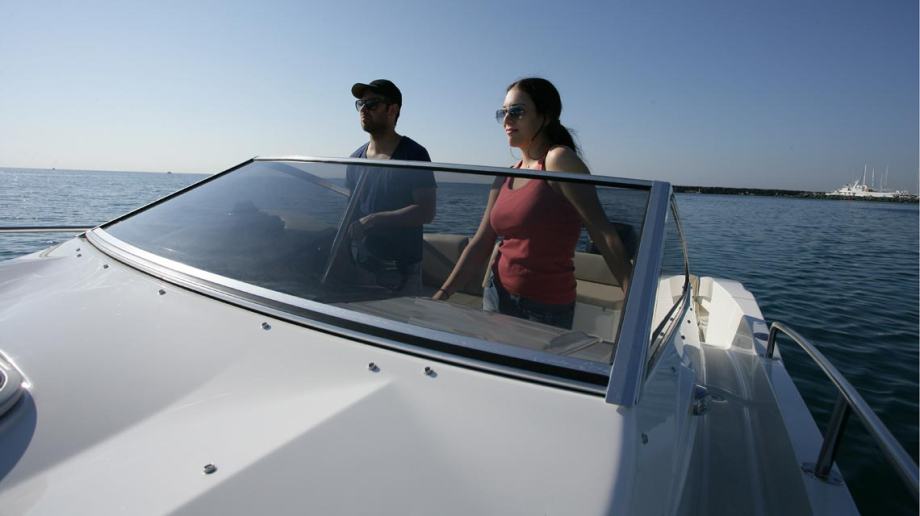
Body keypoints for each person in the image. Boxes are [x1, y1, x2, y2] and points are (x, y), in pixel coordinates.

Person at [433, 77, 630, 329]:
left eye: (517, 111)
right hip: (496, 294)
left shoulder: (558, 161)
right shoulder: (506, 174)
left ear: (545, 116)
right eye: (503, 112)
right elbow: (482, 242)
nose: (507, 120)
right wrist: (442, 294)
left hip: (545, 308)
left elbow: (602, 233)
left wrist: (633, 296)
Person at [345, 79, 436, 295]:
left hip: (401, 268)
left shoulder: (414, 155)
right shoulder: (355, 159)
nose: (364, 109)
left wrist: (373, 219)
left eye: (372, 104)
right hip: (364, 263)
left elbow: (426, 211)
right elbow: (350, 212)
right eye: (361, 104)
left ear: (392, 110)